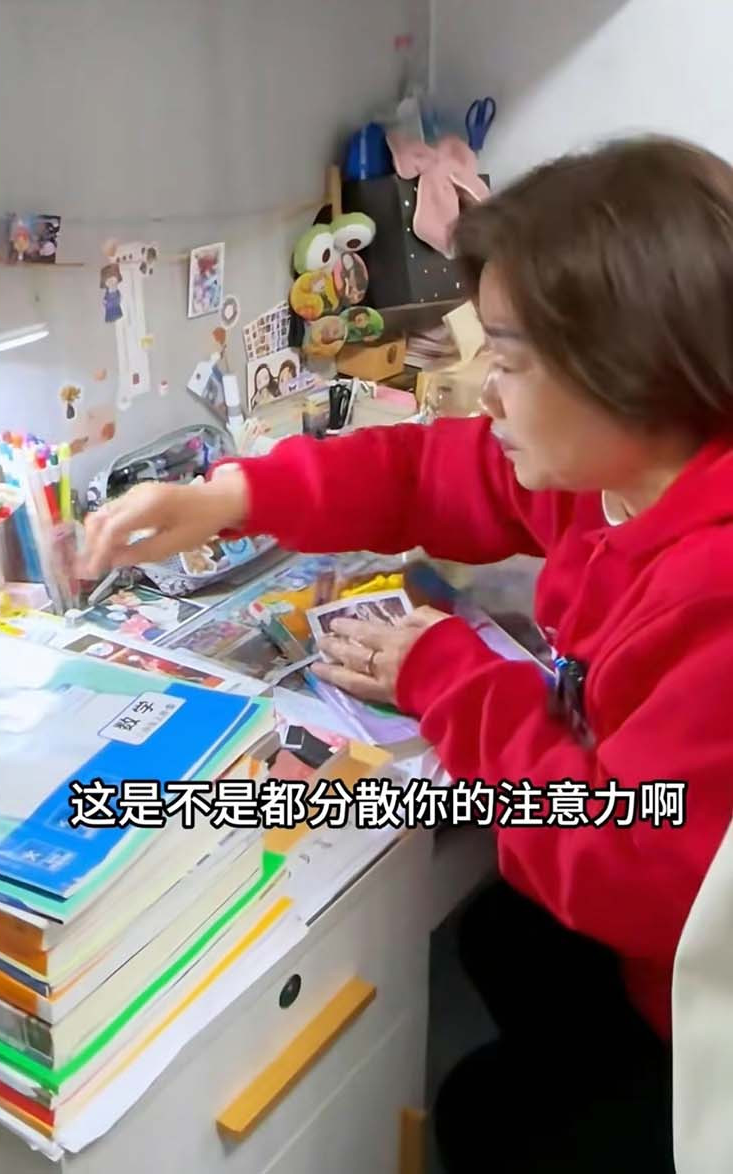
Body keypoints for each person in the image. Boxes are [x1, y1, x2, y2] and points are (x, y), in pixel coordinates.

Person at [81, 136, 733, 1173]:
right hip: (652, 929)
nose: (486, 395)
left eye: (509, 361)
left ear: (633, 375)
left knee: (479, 1114)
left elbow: (623, 858)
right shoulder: (623, 471)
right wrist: (230, 495)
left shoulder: (713, 588)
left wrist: (446, 676)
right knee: (498, 936)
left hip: (703, 1022)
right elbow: (424, 472)